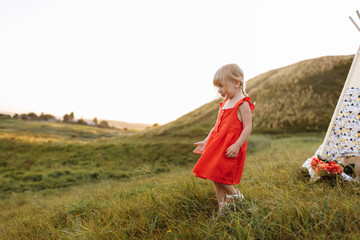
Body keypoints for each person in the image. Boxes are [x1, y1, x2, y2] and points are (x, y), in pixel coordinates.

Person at [192, 63, 255, 213]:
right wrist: (206, 141)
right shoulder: (225, 103)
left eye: (221, 86)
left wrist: (237, 145)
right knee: (215, 176)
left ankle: (235, 195)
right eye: (217, 87)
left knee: (221, 177)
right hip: (217, 144)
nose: (219, 90)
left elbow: (247, 127)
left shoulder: (242, 104)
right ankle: (222, 208)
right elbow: (216, 126)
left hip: (230, 147)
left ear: (236, 82)